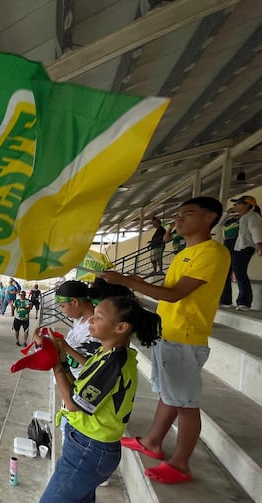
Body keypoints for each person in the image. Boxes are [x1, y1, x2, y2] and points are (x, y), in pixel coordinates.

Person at [100, 196, 230, 484]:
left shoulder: (212, 253)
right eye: (178, 215)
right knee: (170, 394)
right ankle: (153, 441)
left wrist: (127, 281)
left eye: (188, 214)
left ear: (209, 217)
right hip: (167, 332)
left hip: (185, 334)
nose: (178, 220)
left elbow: (174, 294)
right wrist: (132, 283)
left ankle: (181, 464)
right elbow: (165, 291)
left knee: (185, 403)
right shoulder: (185, 252)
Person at [38, 296, 162, 503]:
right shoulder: (110, 354)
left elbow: (73, 403)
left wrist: (56, 363)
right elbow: (84, 378)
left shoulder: (114, 361)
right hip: (91, 447)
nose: (91, 320)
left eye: (99, 317)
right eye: (93, 315)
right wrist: (61, 352)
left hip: (88, 450)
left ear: (121, 327)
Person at [228, 194, 262, 310]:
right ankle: (242, 301)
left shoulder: (253, 216)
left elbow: (256, 230)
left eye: (238, 204)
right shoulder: (244, 217)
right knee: (239, 274)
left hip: (245, 247)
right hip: (240, 247)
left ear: (246, 205)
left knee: (240, 274)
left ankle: (244, 302)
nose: (235, 206)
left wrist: (260, 245)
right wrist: (227, 213)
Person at [218, 207, 241, 308]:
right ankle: (226, 300)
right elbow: (219, 224)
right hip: (227, 242)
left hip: (237, 242)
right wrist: (226, 213)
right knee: (225, 272)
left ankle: (242, 301)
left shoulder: (243, 219)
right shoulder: (229, 220)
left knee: (238, 271)